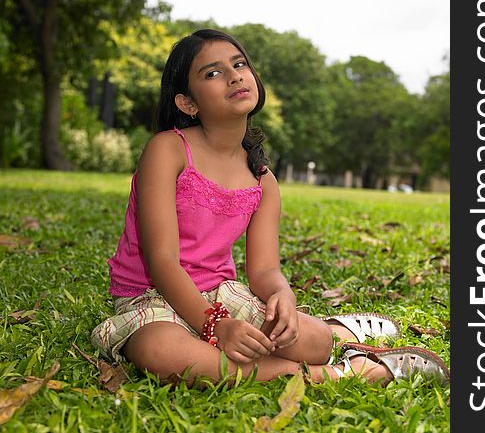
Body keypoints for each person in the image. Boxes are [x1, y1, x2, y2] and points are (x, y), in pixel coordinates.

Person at [91, 29, 449, 388]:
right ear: (188, 103)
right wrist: (216, 326)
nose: (234, 76)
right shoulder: (167, 150)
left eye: (239, 64)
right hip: (151, 296)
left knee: (315, 342)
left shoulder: (262, 180)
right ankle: (341, 374)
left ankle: (336, 331)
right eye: (212, 73)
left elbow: (264, 269)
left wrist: (282, 295)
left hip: (219, 292)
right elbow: (162, 261)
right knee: (163, 354)